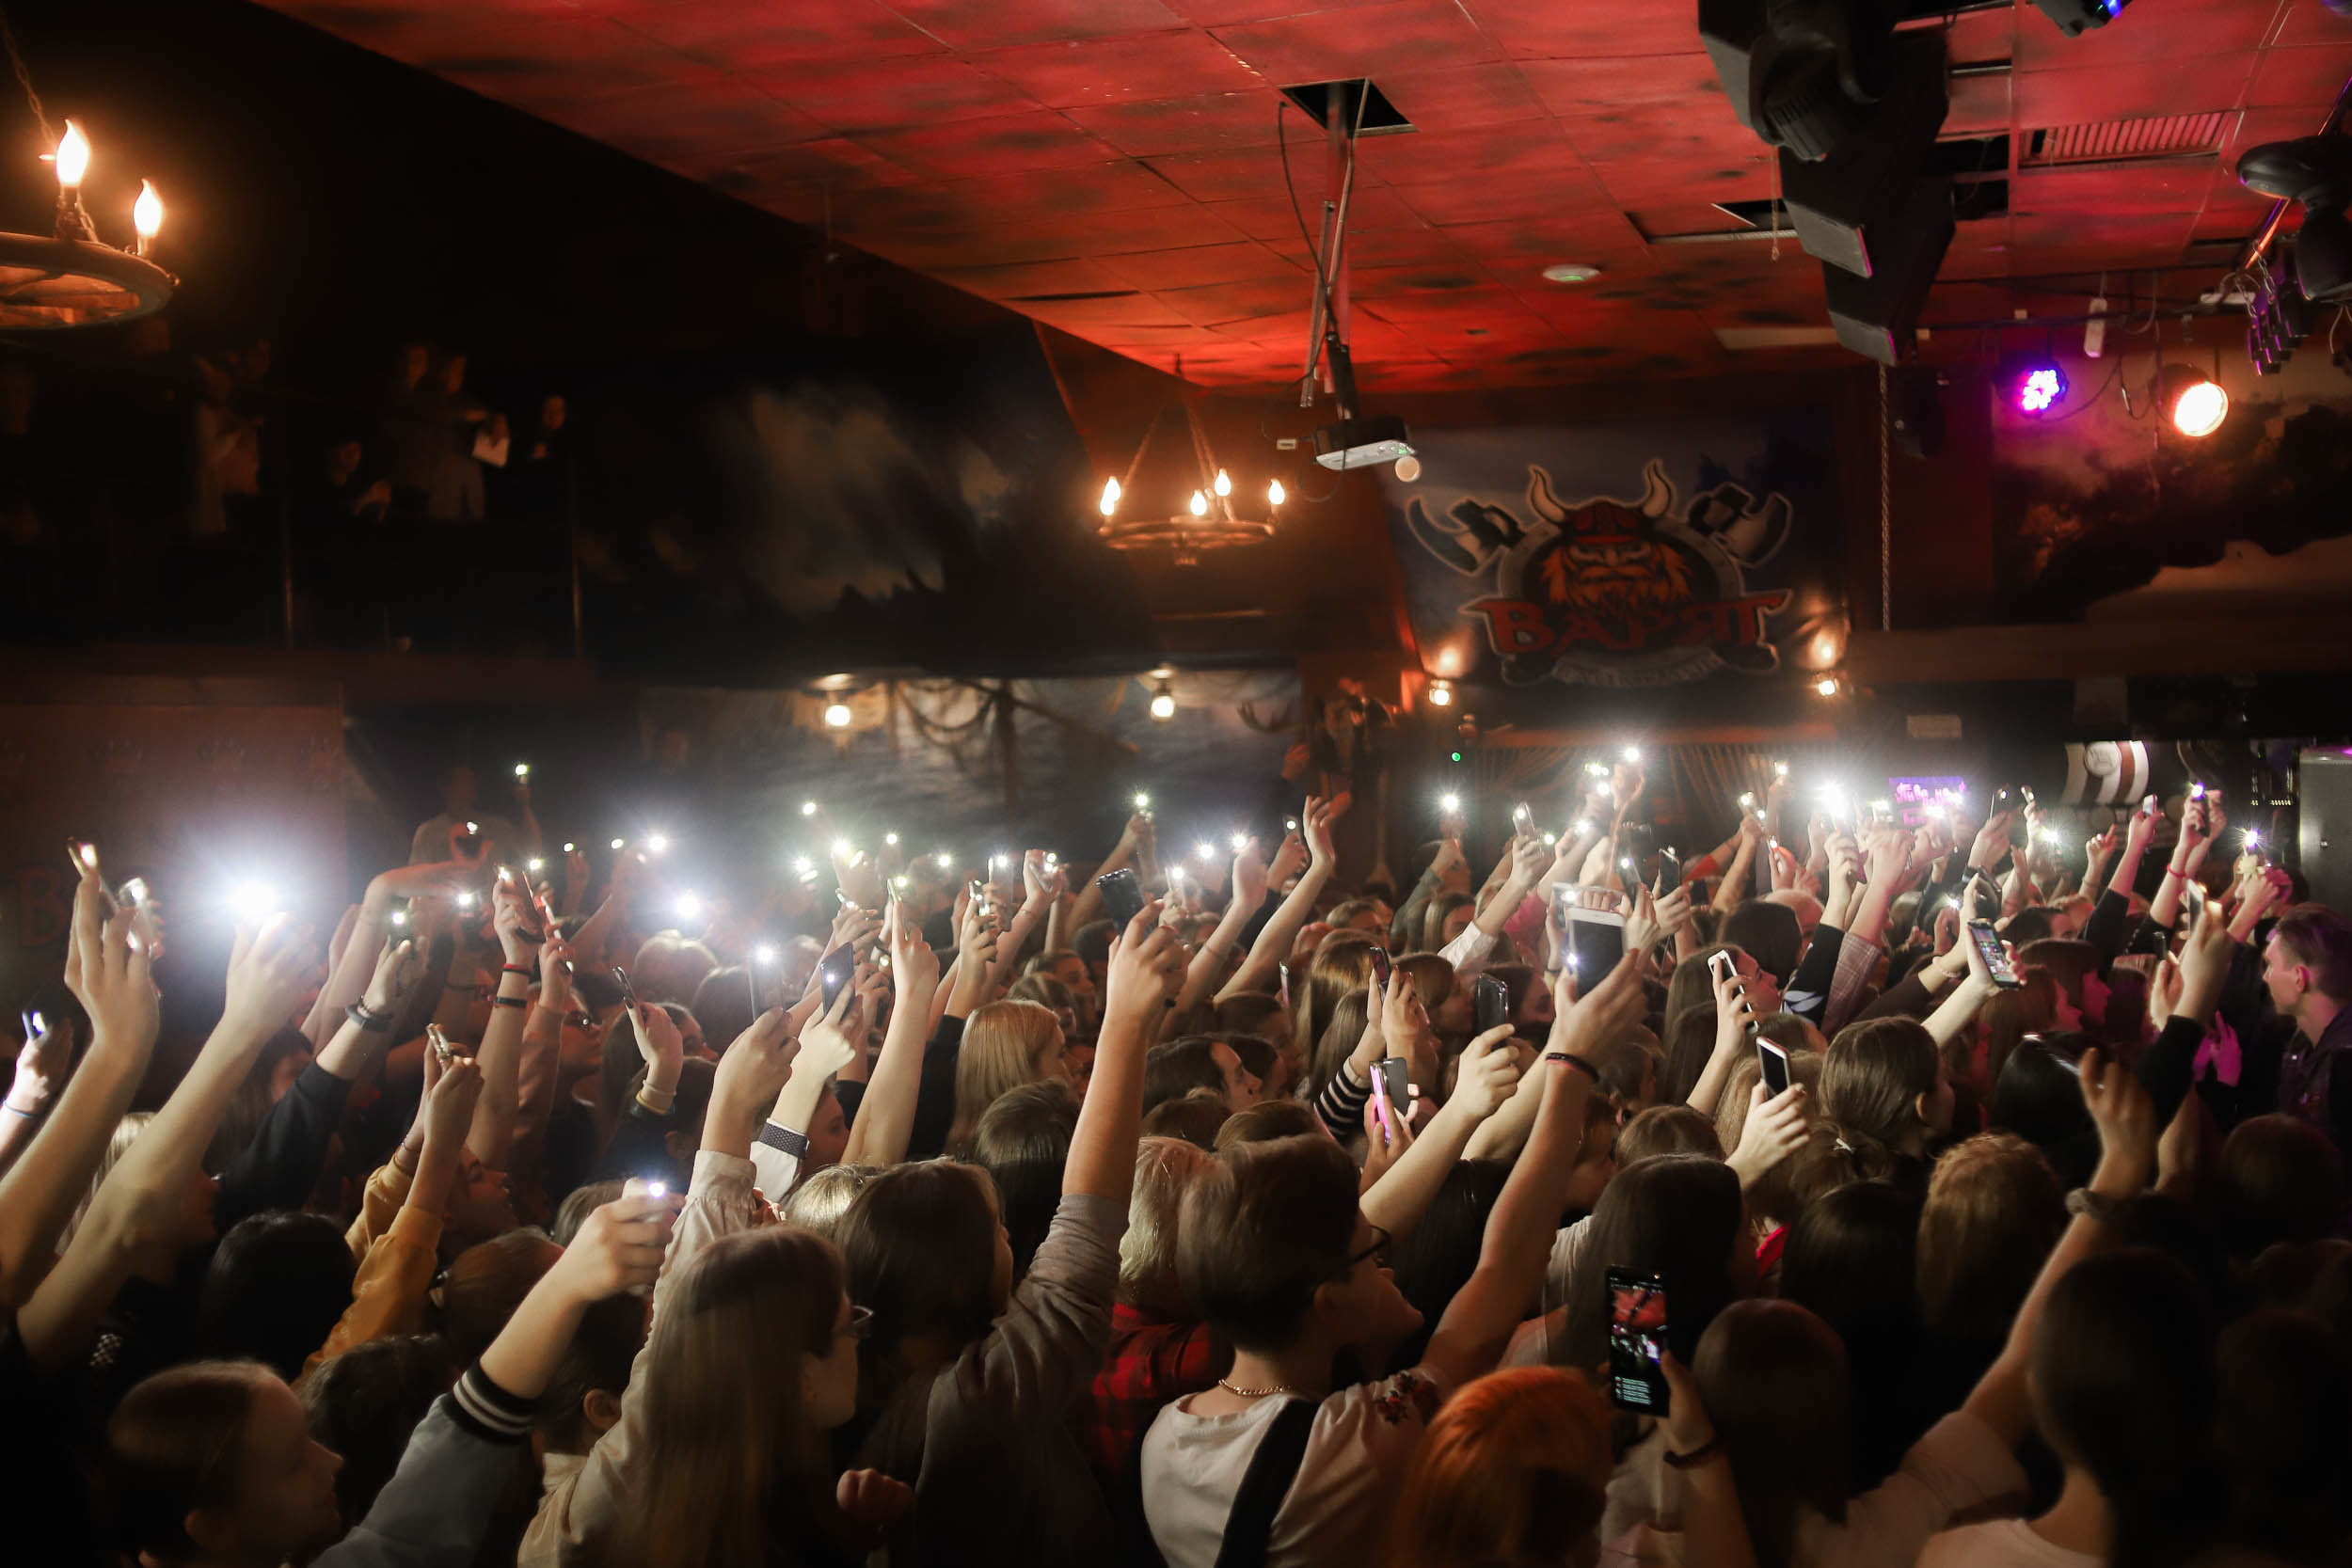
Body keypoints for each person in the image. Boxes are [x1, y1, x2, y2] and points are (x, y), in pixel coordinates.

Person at [1139, 952, 1637, 1568]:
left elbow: (1367, 1222)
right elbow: (1502, 1271)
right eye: (1370, 1255)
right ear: (1328, 1303)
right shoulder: (1343, 1447)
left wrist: (1466, 1108)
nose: (1389, 1263)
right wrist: (1571, 1068)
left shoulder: (1165, 1435)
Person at [2265, 904, 2352, 1150]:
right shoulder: (2303, 1041)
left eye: (2269, 965)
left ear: (2299, 978)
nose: (2265, 976)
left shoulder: (2345, 1068)